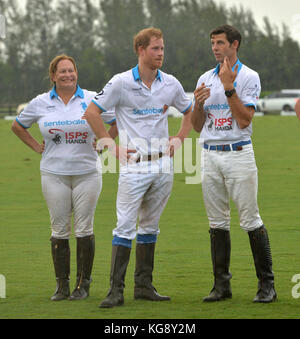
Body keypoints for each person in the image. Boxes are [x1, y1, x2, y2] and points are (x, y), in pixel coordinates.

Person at [84, 27, 192, 308]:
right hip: (134, 166)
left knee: (150, 227)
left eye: (163, 48)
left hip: (163, 164)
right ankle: (115, 291)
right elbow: (91, 113)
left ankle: (143, 286)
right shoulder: (120, 82)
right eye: (155, 48)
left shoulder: (170, 83)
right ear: (141, 50)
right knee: (124, 226)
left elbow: (189, 110)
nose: (161, 54)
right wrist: (110, 145)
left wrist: (180, 138)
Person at [11, 55, 118, 301]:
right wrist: (35, 147)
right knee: (59, 229)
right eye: (63, 71)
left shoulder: (92, 98)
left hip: (87, 173)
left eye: (71, 70)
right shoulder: (40, 102)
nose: (68, 75)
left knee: (84, 228)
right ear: (53, 76)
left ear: (76, 74)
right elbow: (18, 126)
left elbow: (117, 121)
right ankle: (61, 286)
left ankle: (82, 286)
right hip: (53, 174)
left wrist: (104, 141)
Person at [191, 24, 276, 303]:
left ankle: (267, 286)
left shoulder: (249, 76)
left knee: (250, 220)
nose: (215, 47)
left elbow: (244, 119)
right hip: (210, 154)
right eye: (212, 43)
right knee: (217, 222)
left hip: (238, 153)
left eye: (220, 42)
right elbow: (196, 126)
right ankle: (221, 286)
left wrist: (229, 88)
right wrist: (199, 105)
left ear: (234, 44)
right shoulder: (205, 77)